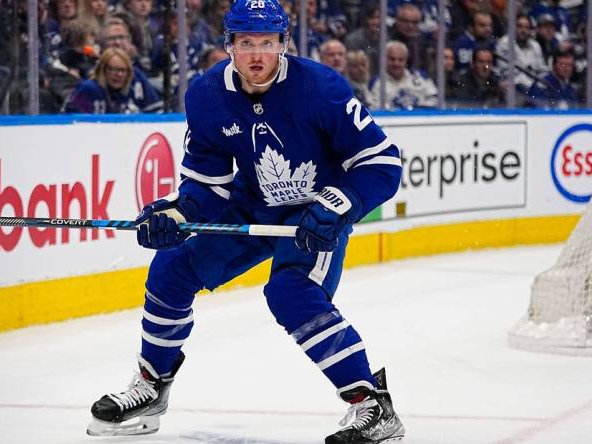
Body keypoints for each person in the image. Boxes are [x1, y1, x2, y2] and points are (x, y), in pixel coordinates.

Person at [86, 1, 405, 443]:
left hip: (314, 214)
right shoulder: (206, 96)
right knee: (172, 269)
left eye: (268, 44)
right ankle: (151, 386)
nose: (258, 55)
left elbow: (383, 163)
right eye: (246, 43)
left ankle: (372, 404)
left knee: (291, 293)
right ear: (229, 46)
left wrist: (340, 203)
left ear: (283, 45)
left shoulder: (321, 87)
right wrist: (176, 214)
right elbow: (206, 186)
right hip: (252, 205)